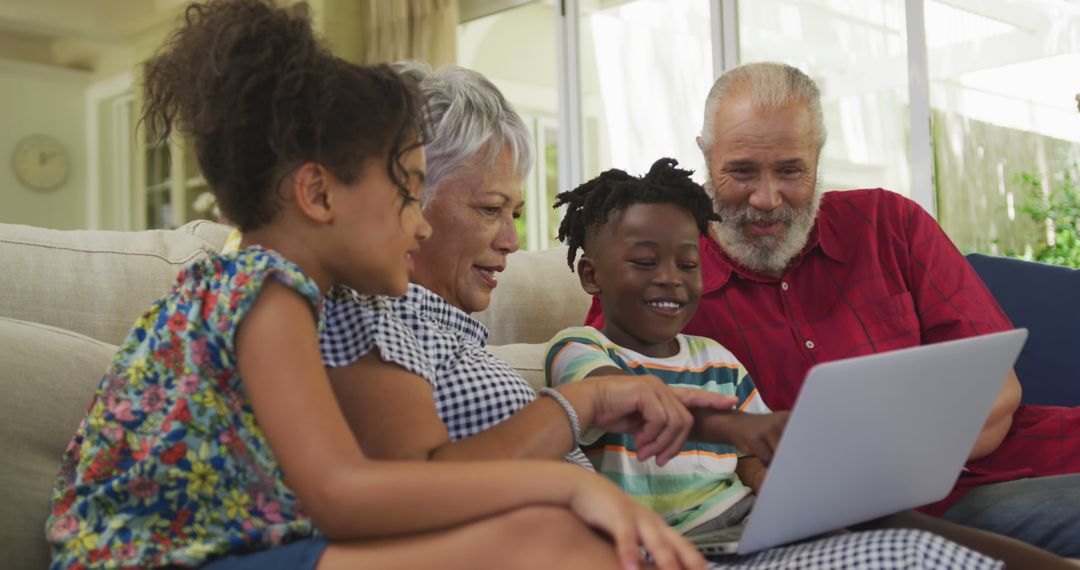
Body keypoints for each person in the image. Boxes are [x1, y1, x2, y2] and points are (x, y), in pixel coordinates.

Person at [43, 2, 708, 569]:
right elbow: (343, 494)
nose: (419, 227)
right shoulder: (263, 293)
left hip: (239, 549)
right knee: (554, 533)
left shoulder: (261, 290)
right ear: (318, 193)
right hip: (171, 559)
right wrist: (563, 488)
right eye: (408, 194)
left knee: (553, 537)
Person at [584, 61, 1080, 557]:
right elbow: (616, 420)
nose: (766, 198)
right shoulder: (657, 289)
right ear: (706, 156)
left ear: (817, 160)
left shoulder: (890, 223)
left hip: (1029, 457)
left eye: (790, 170)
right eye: (741, 171)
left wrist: (858, 464)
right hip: (896, 524)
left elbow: (997, 394)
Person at [319, 61, 732, 473]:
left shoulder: (446, 340)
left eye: (513, 214)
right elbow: (413, 487)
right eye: (489, 208)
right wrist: (585, 408)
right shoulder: (363, 325)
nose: (512, 242)